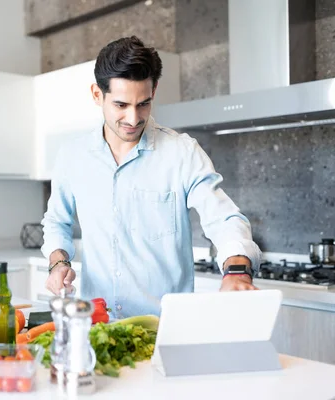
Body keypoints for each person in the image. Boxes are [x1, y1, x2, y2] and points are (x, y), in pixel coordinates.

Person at [41, 35, 262, 318]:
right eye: (121, 105)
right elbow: (57, 221)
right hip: (97, 328)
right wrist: (58, 263)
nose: (133, 119)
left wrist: (237, 269)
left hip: (163, 328)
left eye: (143, 104)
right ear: (98, 95)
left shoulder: (182, 153)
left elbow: (224, 218)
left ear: (154, 91)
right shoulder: (73, 156)